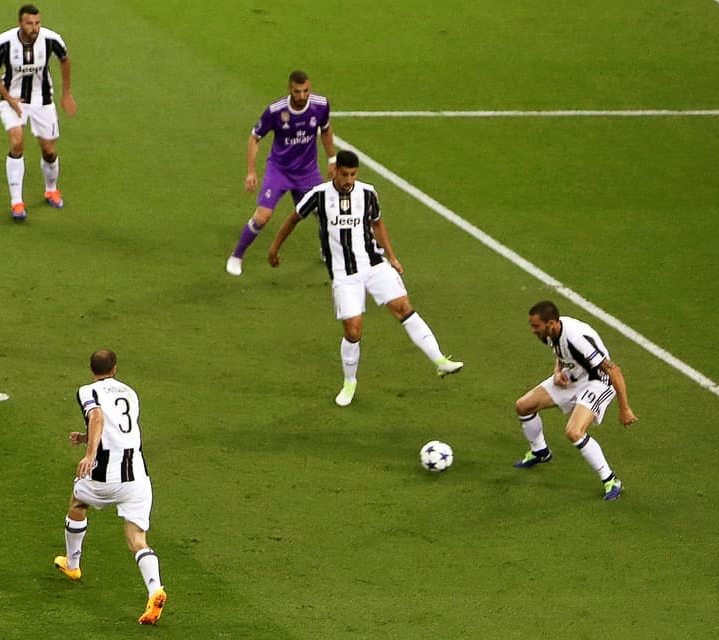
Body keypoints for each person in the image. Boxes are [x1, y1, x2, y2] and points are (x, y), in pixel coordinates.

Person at [267, 150, 463, 406]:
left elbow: (377, 224)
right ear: (335, 171)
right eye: (345, 174)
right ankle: (350, 382)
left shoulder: (368, 193)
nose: (349, 179)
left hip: (374, 264)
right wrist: (274, 249)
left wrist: (392, 257)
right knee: (353, 329)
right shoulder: (319, 195)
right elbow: (293, 219)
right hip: (343, 274)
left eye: (353, 174)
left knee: (403, 307)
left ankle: (439, 360)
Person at [53, 349, 166, 625]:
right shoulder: (130, 392)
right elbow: (120, 430)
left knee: (78, 502)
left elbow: (98, 418)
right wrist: (85, 438)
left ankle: (73, 564)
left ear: (92, 369)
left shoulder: (87, 391)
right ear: (115, 368)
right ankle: (155, 589)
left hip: (105, 476)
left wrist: (89, 454)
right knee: (137, 539)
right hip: (137, 477)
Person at [511, 301, 637, 500]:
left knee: (574, 431)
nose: (532, 330)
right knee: (523, 406)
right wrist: (558, 370)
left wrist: (625, 408)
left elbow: (614, 371)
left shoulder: (577, 338)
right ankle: (540, 451)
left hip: (598, 382)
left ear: (551, 323)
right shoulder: (550, 333)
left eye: (535, 326)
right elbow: (560, 353)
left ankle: (611, 480)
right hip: (574, 376)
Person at [226, 70, 337, 276]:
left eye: (306, 91)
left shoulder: (320, 105)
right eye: (297, 91)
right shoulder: (276, 111)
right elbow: (254, 138)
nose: (302, 96)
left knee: (324, 214)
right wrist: (251, 171)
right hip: (280, 170)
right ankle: (237, 255)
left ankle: (326, 251)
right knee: (262, 216)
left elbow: (326, 130)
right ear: (290, 89)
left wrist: (332, 159)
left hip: (307, 172)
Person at [0, 4, 76, 221]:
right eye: (29, 23)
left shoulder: (51, 39)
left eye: (37, 23)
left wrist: (66, 93)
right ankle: (17, 202)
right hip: (13, 98)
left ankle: (51, 189)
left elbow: (64, 60)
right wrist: (9, 98)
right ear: (20, 23)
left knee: (49, 151)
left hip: (42, 101)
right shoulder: (4, 42)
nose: (34, 28)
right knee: (16, 142)